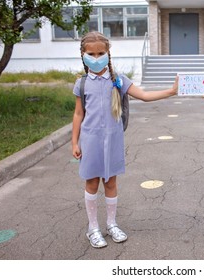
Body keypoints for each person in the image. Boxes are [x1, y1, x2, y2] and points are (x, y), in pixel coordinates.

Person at [72, 31, 178, 248]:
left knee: (111, 182)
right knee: (92, 182)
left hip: (113, 140)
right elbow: (78, 114)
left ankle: (111, 224)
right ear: (83, 54)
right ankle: (93, 228)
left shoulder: (118, 80)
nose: (96, 57)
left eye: (101, 52)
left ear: (108, 53)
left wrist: (171, 91)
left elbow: (145, 96)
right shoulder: (81, 84)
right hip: (90, 141)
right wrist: (75, 142)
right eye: (91, 53)